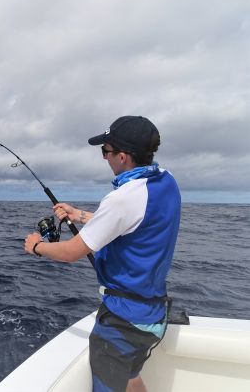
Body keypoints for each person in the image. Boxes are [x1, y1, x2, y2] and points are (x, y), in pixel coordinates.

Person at [24, 116, 181, 392]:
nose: (105, 158)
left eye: (105, 152)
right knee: (131, 378)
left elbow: (72, 252)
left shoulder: (122, 198)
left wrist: (36, 246)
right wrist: (81, 215)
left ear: (122, 157)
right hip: (154, 314)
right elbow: (134, 224)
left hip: (123, 323)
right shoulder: (166, 182)